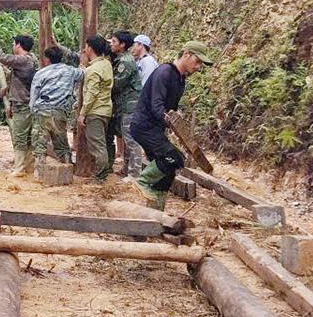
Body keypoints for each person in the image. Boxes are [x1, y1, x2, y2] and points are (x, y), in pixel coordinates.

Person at [131, 41, 213, 209]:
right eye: (197, 61)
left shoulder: (180, 79)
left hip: (155, 128)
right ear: (186, 54)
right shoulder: (165, 72)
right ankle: (142, 182)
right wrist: (171, 120)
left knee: (167, 172)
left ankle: (156, 213)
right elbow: (157, 107)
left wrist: (175, 117)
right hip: (144, 126)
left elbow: (169, 109)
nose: (198, 67)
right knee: (174, 158)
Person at [29, 45, 83, 171]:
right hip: (60, 111)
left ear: (47, 59)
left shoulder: (40, 73)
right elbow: (83, 74)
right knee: (62, 143)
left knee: (39, 144)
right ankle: (68, 168)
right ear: (61, 58)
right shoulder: (70, 71)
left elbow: (34, 95)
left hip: (42, 110)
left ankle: (39, 171)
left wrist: (33, 111)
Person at [0, 31, 39, 177]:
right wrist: (7, 89)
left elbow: (1, 57)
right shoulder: (32, 59)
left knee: (20, 137)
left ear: (18, 45)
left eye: (14, 43)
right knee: (29, 138)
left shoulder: (23, 60)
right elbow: (18, 78)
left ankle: (19, 168)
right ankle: (29, 168)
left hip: (23, 105)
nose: (13, 46)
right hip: (27, 103)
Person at [108, 30, 143, 178]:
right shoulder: (120, 59)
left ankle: (134, 174)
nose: (111, 43)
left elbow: (116, 84)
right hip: (124, 106)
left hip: (130, 106)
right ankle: (127, 169)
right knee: (127, 138)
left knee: (131, 140)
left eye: (114, 41)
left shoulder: (126, 62)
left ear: (122, 45)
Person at [78, 35, 113, 182]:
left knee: (97, 146)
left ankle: (100, 177)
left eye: (86, 46)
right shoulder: (106, 64)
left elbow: (91, 94)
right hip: (105, 110)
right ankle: (103, 173)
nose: (84, 49)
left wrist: (82, 113)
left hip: (95, 111)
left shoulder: (93, 70)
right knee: (102, 143)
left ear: (90, 48)